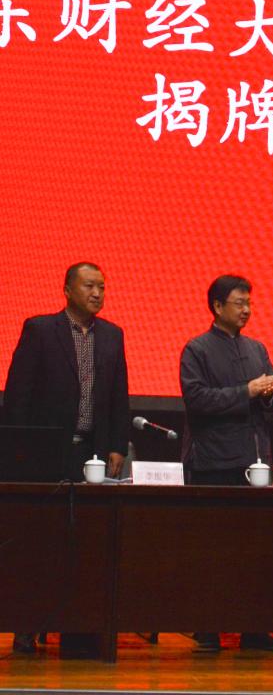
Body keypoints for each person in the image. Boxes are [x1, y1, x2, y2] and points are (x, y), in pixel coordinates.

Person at [3, 262, 130, 655]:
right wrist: (20, 450)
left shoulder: (112, 335)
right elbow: (18, 394)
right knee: (39, 541)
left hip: (92, 453)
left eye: (102, 287)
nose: (97, 293)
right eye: (89, 286)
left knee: (86, 541)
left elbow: (118, 396)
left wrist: (117, 446)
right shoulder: (41, 330)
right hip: (46, 453)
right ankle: (27, 625)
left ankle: (79, 629)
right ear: (67, 289)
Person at [179, 274, 273, 654]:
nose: (246, 310)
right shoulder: (197, 349)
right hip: (213, 462)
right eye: (239, 303)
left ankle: (253, 629)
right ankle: (207, 628)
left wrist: (269, 393)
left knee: (256, 550)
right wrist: (248, 391)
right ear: (217, 306)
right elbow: (197, 400)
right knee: (213, 550)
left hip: (254, 461)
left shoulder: (256, 348)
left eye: (249, 303)